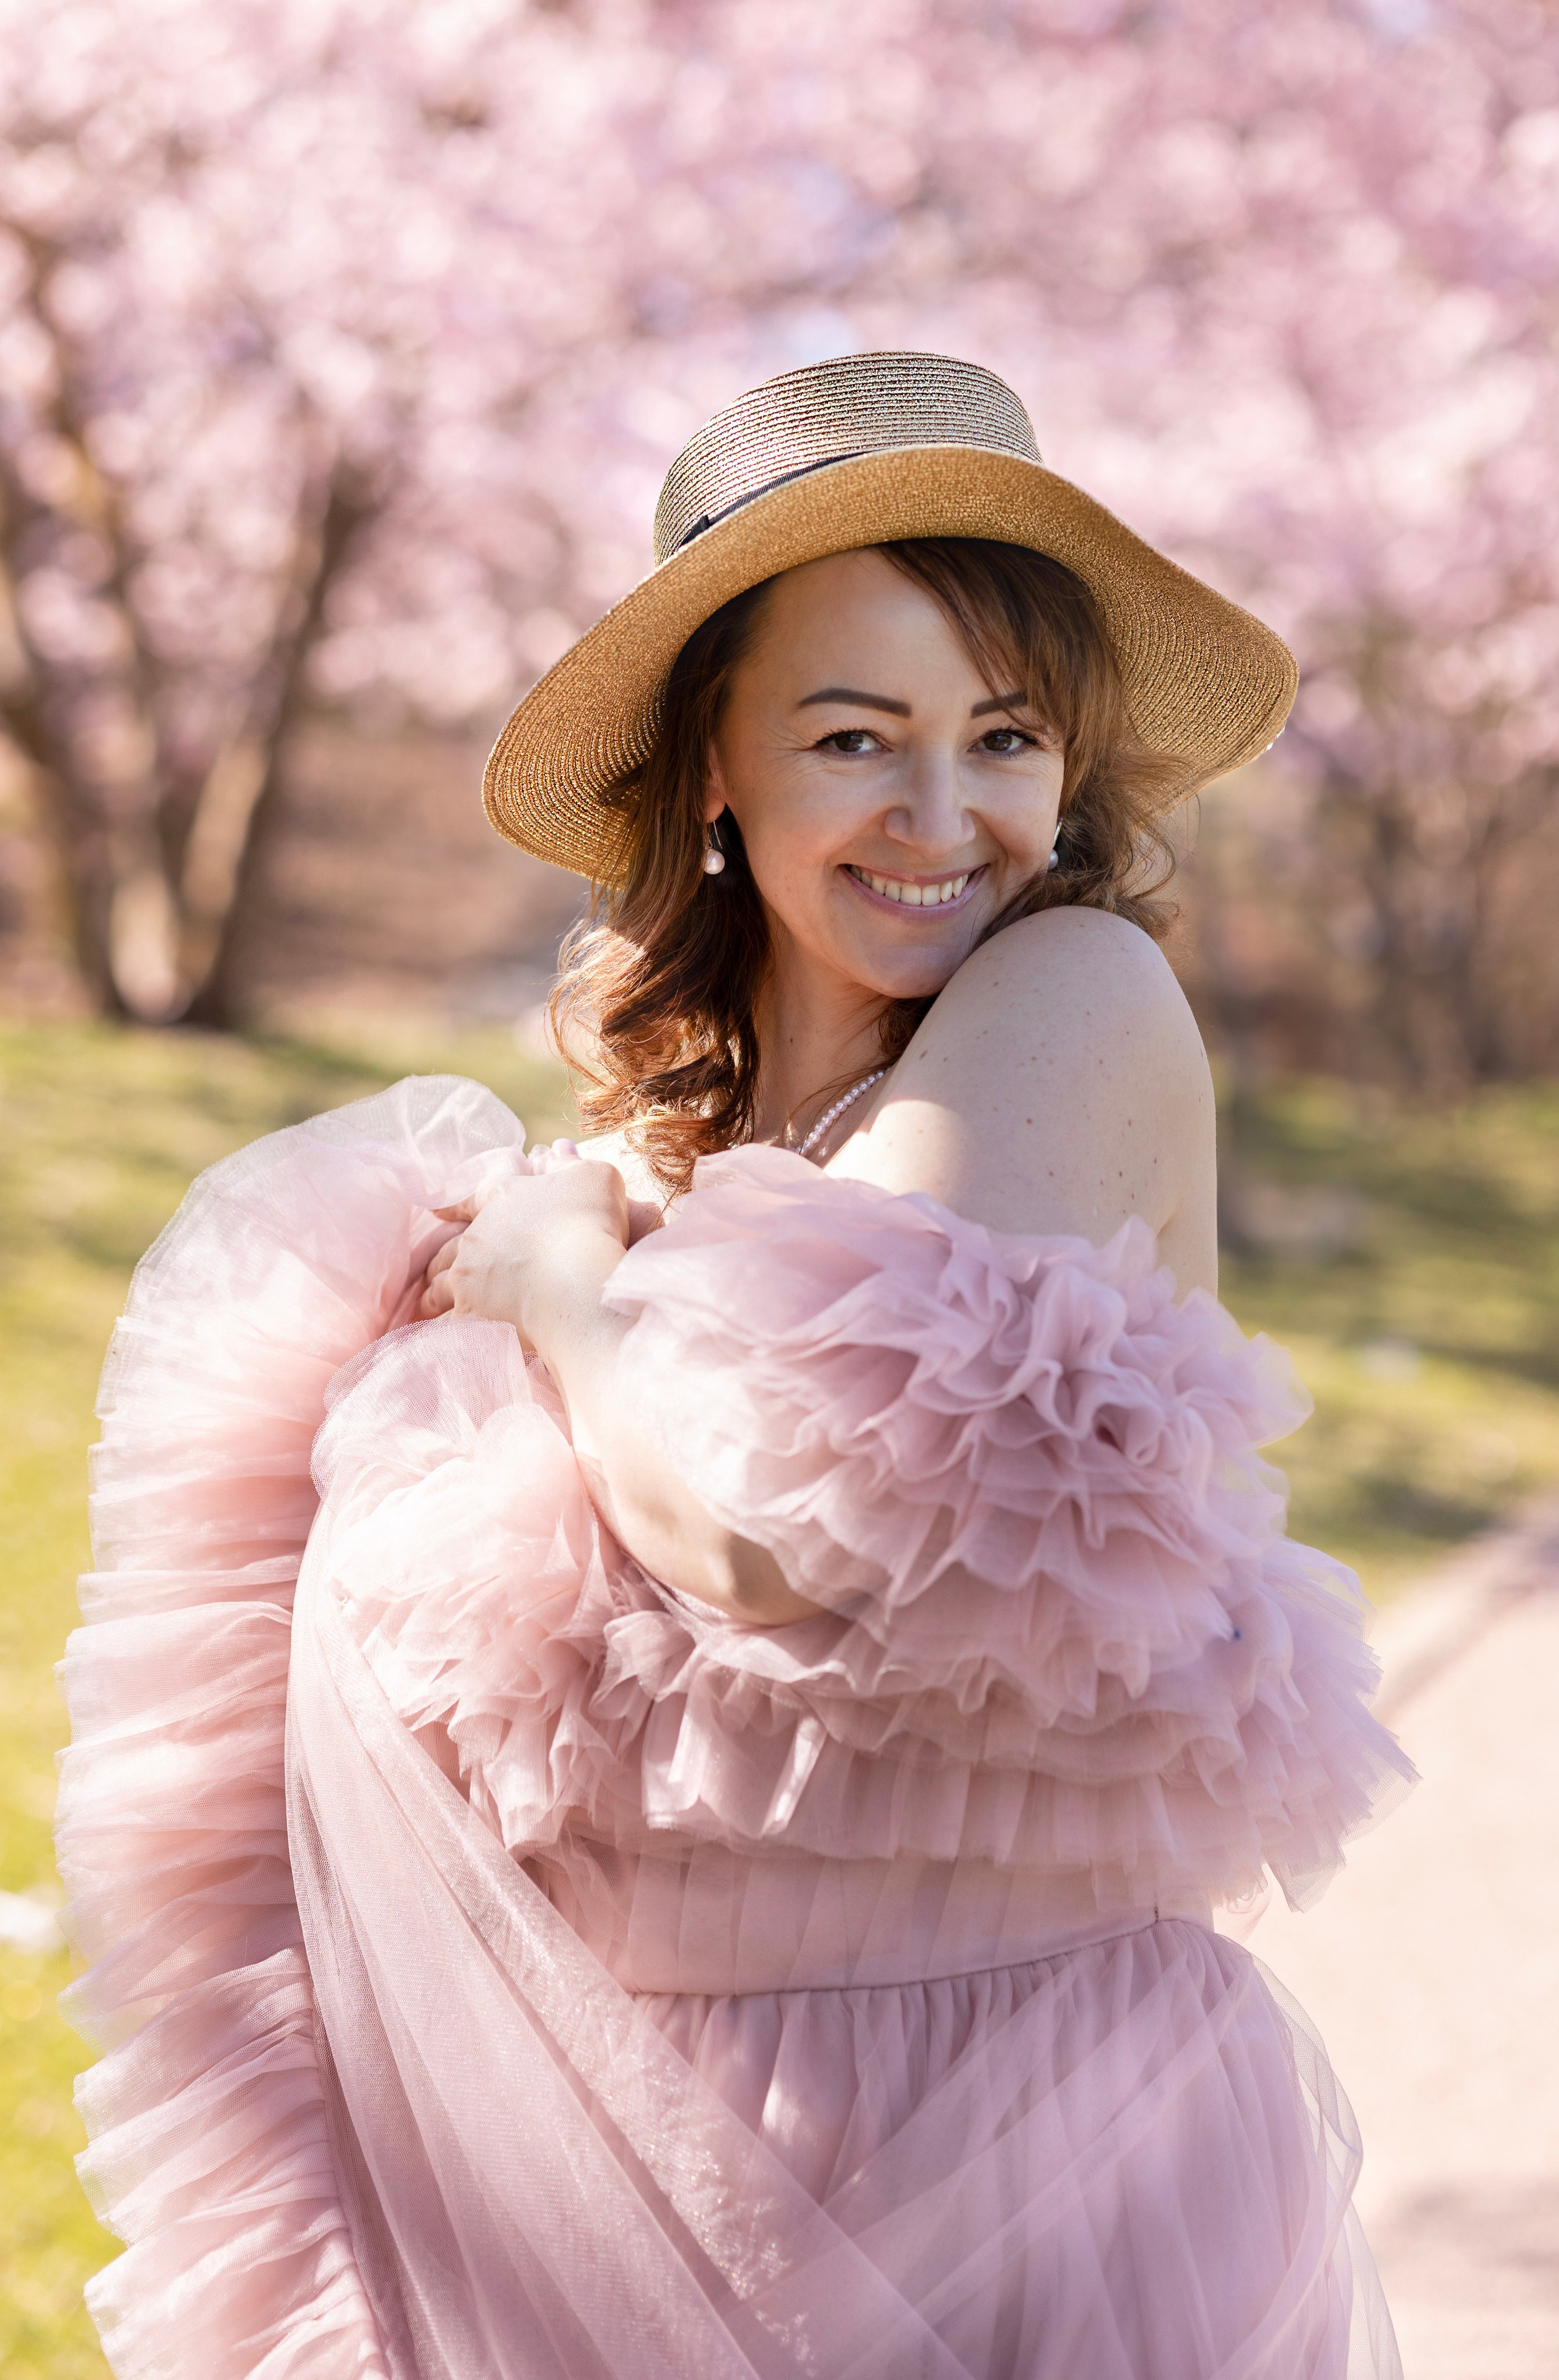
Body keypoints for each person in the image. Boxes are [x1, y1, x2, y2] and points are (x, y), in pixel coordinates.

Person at [58, 352, 1414, 2379]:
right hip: (657, 2163)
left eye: (1004, 735)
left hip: (1000, 2154)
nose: (942, 819)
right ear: (716, 761)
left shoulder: (1076, 993)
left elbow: (774, 1540)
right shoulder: (673, 1150)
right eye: (856, 736)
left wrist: (564, 1302)